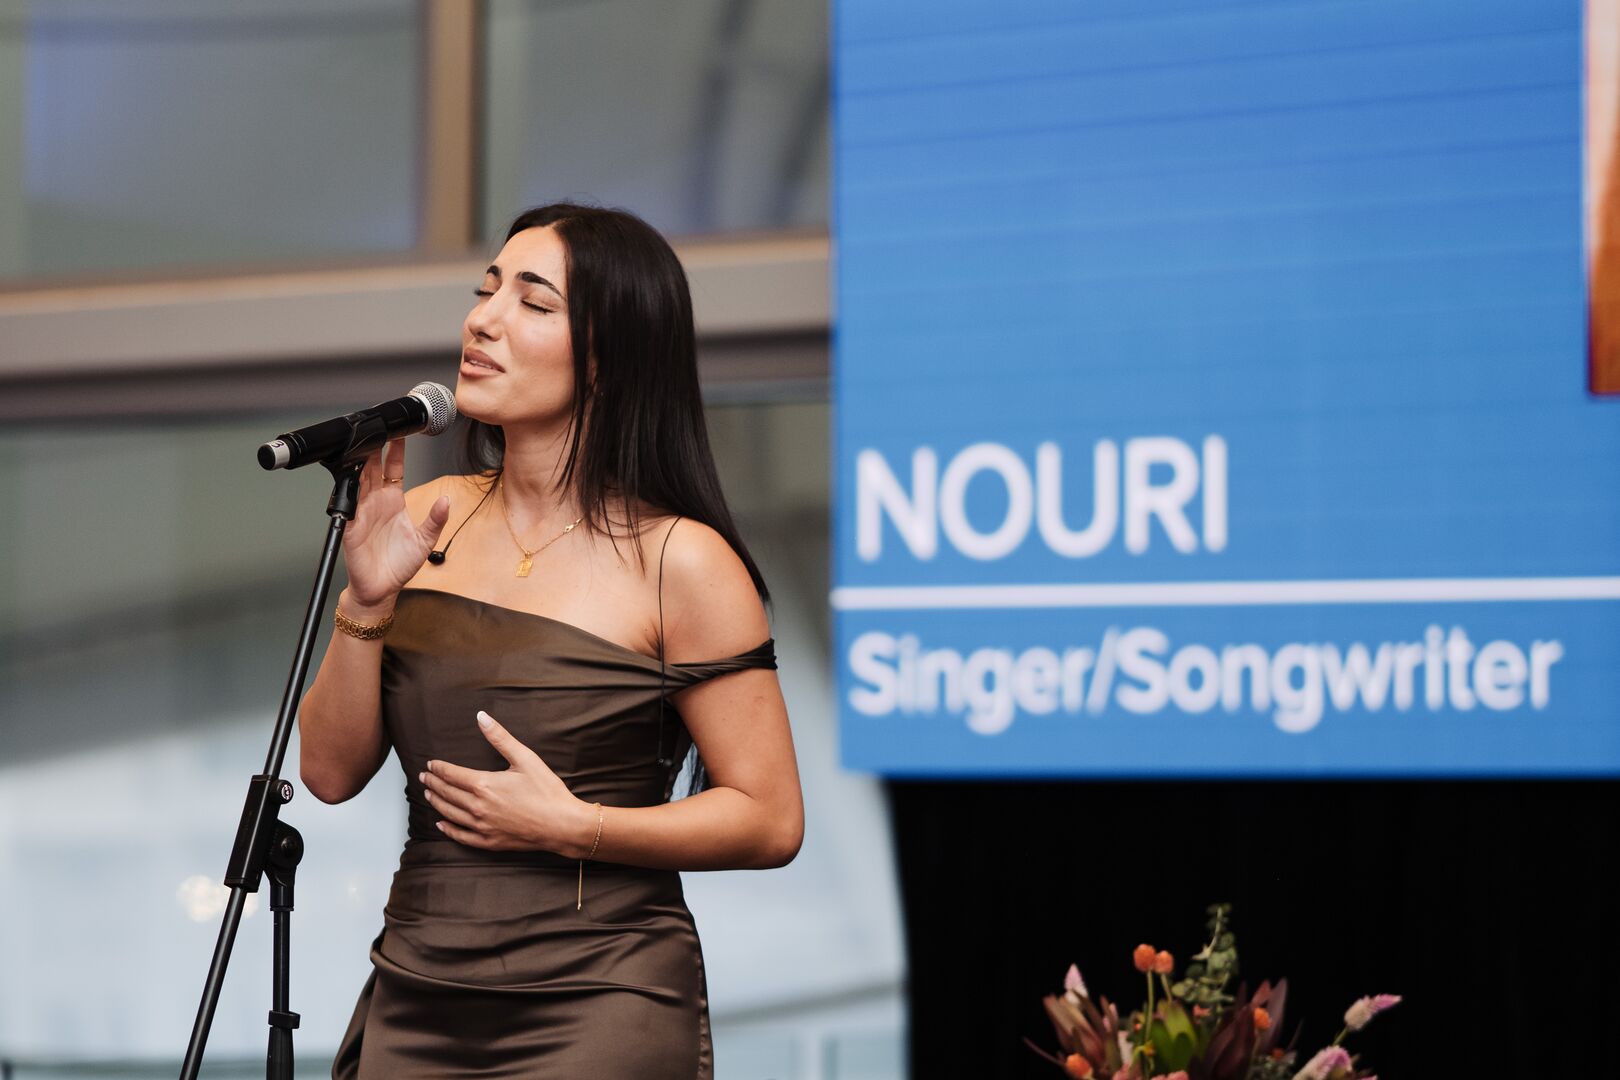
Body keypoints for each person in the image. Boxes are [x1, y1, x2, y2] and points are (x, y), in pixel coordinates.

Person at [297, 203, 805, 1078]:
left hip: (602, 995)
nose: (483, 319)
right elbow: (329, 774)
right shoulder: (424, 516)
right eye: (484, 290)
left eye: (533, 303)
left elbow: (770, 818)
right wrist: (368, 598)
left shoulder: (681, 561)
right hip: (418, 981)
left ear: (608, 359)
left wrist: (582, 827)